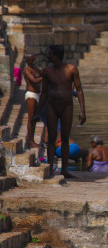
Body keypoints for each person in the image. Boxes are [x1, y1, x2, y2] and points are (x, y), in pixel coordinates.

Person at [33, 45, 86, 178]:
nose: (47, 55)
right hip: (52, 106)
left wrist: (82, 111)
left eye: (50, 53)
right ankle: (50, 168)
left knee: (65, 137)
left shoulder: (71, 69)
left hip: (67, 106)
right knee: (51, 138)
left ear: (56, 55)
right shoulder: (46, 71)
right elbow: (44, 93)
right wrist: (38, 111)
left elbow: (79, 89)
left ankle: (64, 170)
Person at [22, 54, 43, 148]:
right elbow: (34, 80)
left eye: (34, 60)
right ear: (27, 61)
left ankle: (33, 141)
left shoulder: (36, 69)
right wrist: (45, 77)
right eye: (31, 60)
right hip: (31, 95)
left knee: (35, 119)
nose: (34, 62)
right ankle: (31, 141)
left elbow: (43, 74)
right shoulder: (27, 70)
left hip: (38, 94)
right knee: (31, 119)